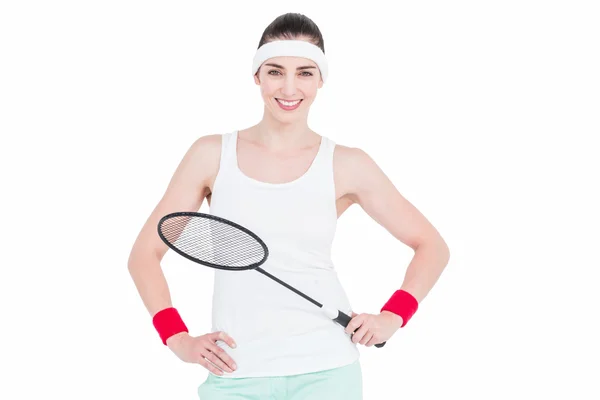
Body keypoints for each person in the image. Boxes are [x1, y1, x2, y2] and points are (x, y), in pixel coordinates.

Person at [128, 12, 450, 400]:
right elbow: (144, 255)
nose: (289, 87)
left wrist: (393, 317)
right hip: (236, 370)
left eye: (305, 73)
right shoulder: (211, 154)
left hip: (327, 370)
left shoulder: (347, 163)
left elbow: (432, 246)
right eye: (276, 71)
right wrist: (177, 339)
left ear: (321, 80)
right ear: (257, 77)